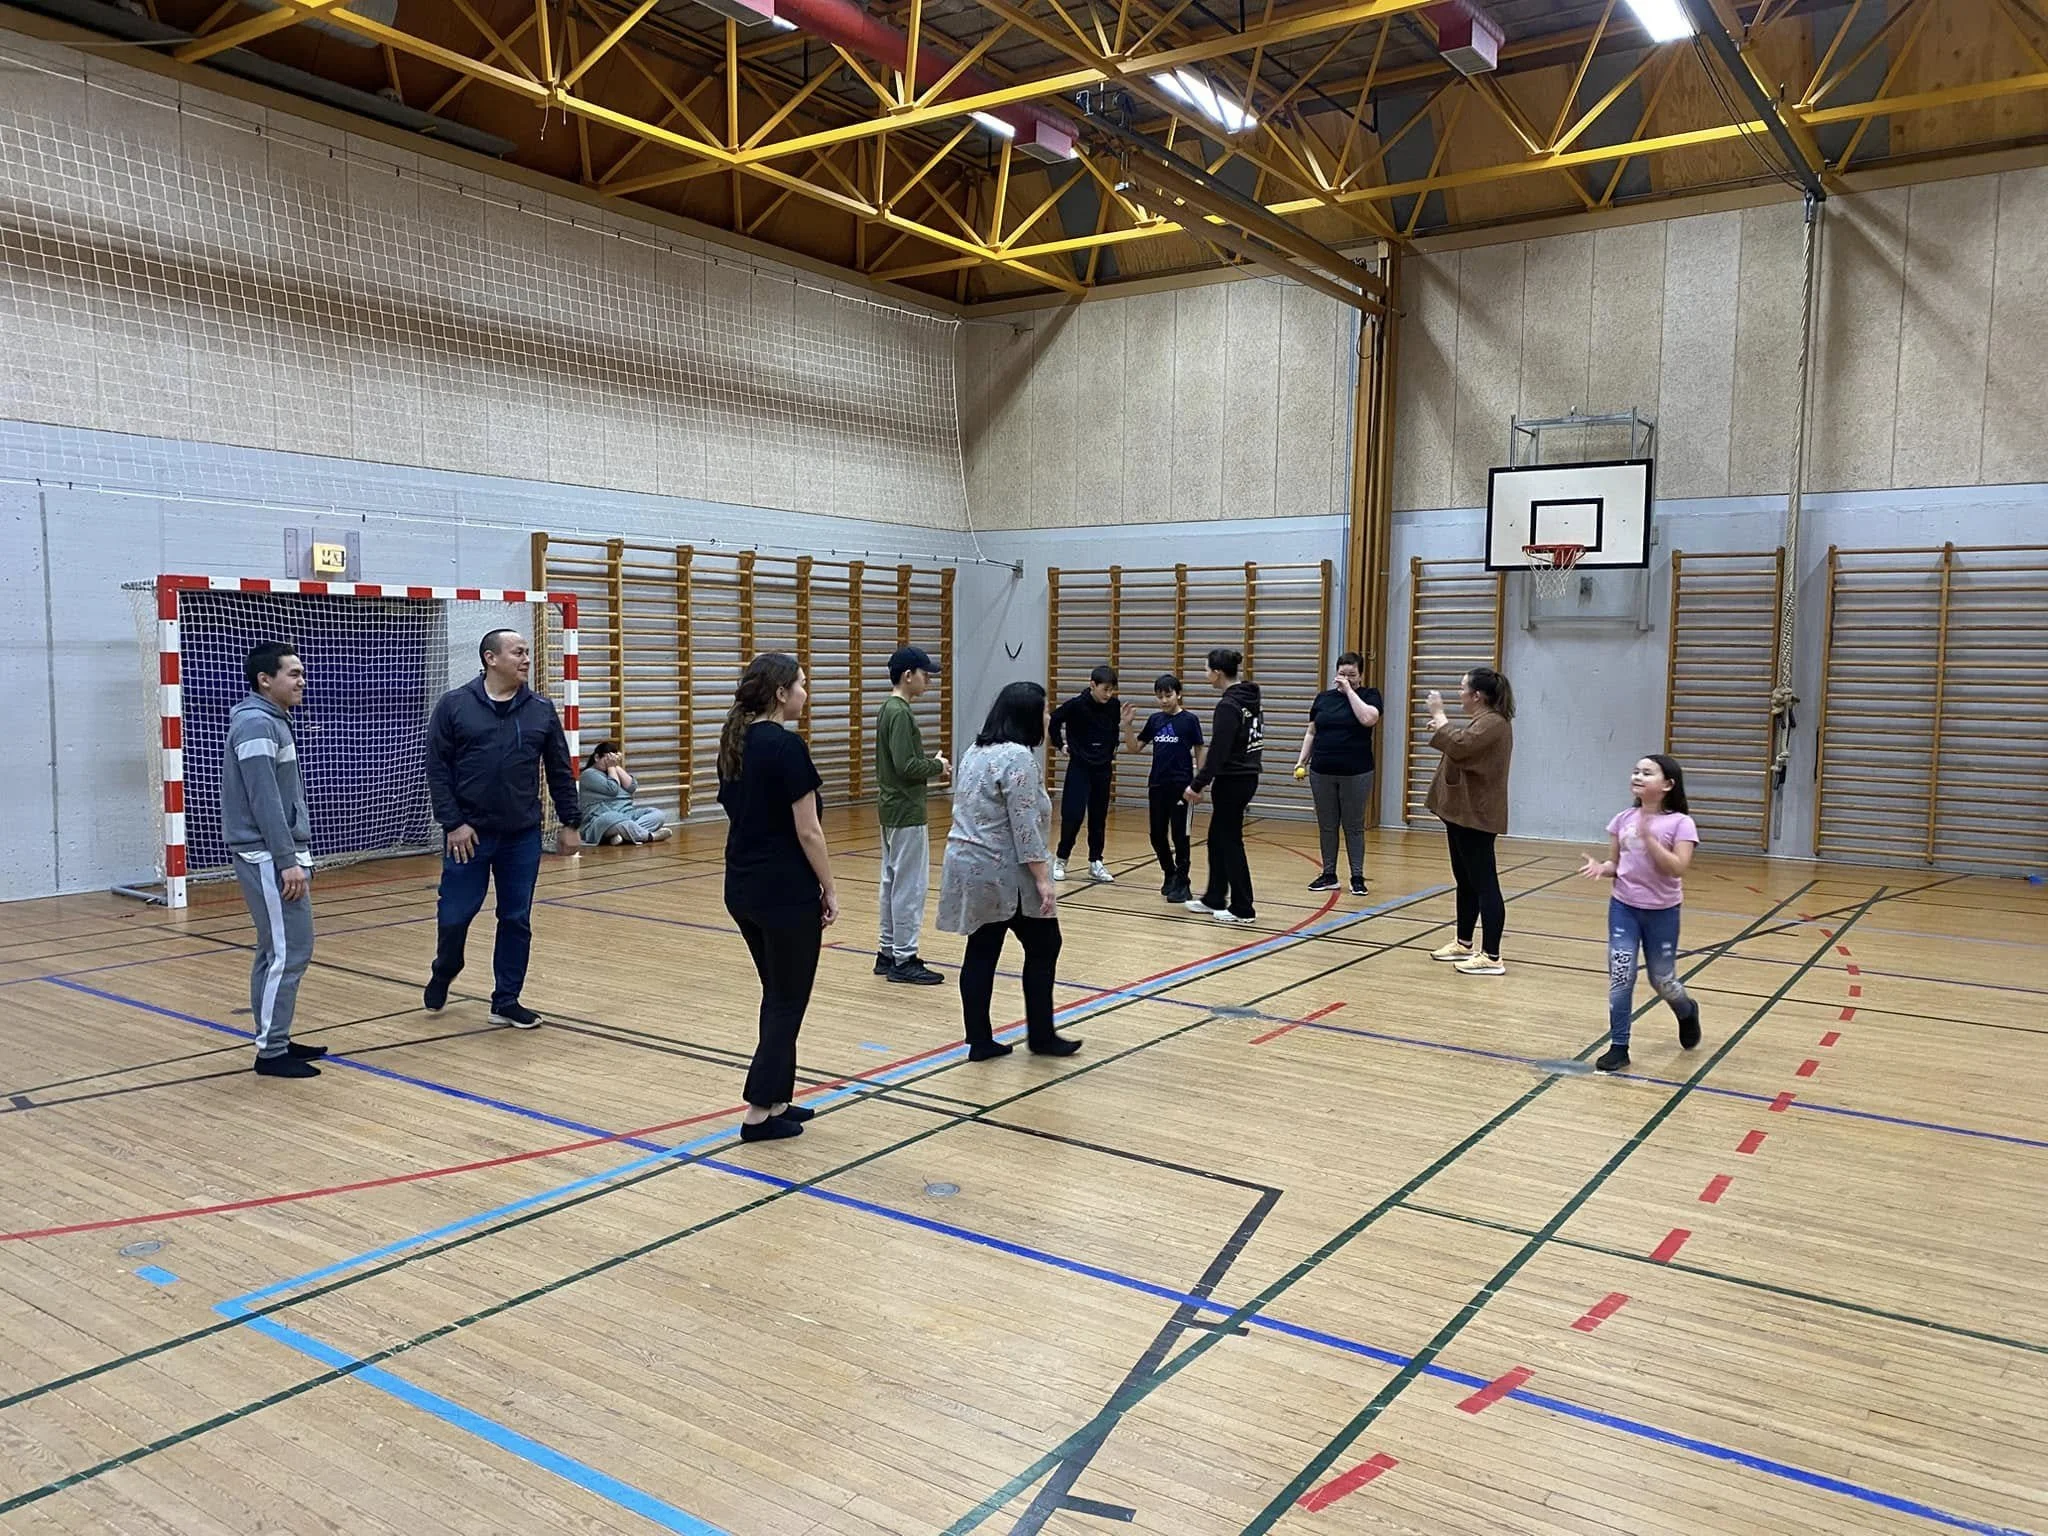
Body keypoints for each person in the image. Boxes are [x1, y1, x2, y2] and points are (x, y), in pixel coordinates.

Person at [423, 629, 581, 1029]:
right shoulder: (454, 705)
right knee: (455, 914)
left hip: (521, 836)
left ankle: (506, 1000)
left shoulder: (540, 710)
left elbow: (560, 769)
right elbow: (438, 770)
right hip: (468, 836)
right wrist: (453, 823)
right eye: (517, 652)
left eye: (527, 652)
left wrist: (570, 821)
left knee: (516, 917)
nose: (526, 659)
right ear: (491, 659)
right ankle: (446, 967)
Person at [719, 653, 839, 1142]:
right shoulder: (787, 747)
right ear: (780, 693)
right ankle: (757, 1112)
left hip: (743, 887)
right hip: (784, 891)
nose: (806, 694)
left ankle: (777, 1101)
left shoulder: (735, 742)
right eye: (802, 685)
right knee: (788, 1000)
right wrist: (829, 887)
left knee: (778, 993)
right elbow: (808, 831)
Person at [938, 681, 1082, 1061]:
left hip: (968, 862)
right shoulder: (1018, 757)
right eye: (1045, 710)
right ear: (1027, 715)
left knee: (982, 947)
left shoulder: (975, 750)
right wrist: (1043, 879)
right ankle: (1041, 1036)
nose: (1049, 717)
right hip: (1001, 869)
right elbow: (1025, 826)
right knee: (1045, 944)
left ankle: (980, 1040)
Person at [222, 642, 325, 1079]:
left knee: (274, 949)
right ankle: (271, 1052)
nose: (302, 681)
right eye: (293, 674)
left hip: (275, 852)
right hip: (267, 855)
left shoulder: (272, 721)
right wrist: (286, 860)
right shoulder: (257, 725)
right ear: (265, 680)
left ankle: (275, 1035)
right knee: (290, 949)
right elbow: (264, 800)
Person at [1581, 754, 1704, 1073]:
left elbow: (1677, 868)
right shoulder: (1622, 819)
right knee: (1621, 974)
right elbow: (1616, 863)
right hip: (1624, 908)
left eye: (1647, 773)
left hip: (1663, 913)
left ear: (1668, 784)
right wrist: (1602, 868)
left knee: (1662, 979)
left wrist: (1649, 839)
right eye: (1635, 771)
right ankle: (1619, 1046)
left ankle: (1686, 1010)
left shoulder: (1681, 824)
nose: (1638, 776)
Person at [1424, 666, 1515, 976]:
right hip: (1462, 813)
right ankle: (1464, 942)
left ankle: (1492, 956)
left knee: (1485, 884)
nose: (1459, 693)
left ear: (1477, 695)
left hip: (1477, 815)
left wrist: (1439, 715)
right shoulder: (1483, 721)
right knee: (1465, 881)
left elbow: (1462, 746)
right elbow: (1463, 742)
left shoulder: (1494, 723)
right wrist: (1444, 729)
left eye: (1462, 688)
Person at [874, 645, 951, 986]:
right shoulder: (901, 713)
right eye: (925, 674)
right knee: (909, 886)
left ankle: (887, 951)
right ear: (908, 675)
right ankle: (904, 958)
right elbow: (906, 766)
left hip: (891, 807)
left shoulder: (887, 708)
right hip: (906, 809)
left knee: (891, 883)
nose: (929, 681)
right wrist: (938, 765)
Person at [1183, 648, 1264, 925]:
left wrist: (1197, 784)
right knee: (1217, 837)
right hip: (1243, 776)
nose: (1205, 674)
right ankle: (1215, 897)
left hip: (1234, 779)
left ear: (1217, 673)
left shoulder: (1229, 705)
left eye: (1206, 669)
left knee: (1229, 840)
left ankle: (1243, 907)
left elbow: (1219, 750)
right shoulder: (1248, 698)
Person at [1293, 651, 1382, 897]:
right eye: (1342, 674)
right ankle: (1329, 874)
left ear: (1361, 675)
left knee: (1353, 826)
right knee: (1327, 825)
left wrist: (1350, 691)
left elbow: (1368, 719)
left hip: (1356, 772)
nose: (1346, 678)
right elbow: (1311, 732)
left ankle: (1357, 876)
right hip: (1322, 771)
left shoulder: (1370, 696)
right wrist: (1301, 761)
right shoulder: (1323, 699)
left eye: (1352, 675)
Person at [1124, 674, 1203, 904]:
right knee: (1157, 835)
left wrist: (1200, 784)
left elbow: (1200, 750)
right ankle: (1170, 874)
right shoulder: (1155, 720)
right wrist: (1127, 725)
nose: (1164, 700)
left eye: (1168, 695)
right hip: (1157, 785)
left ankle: (1183, 882)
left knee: (1180, 836)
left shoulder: (1189, 720)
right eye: (1160, 696)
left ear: (1178, 694)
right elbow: (1134, 748)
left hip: (1182, 787)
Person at [1048, 664, 1121, 883]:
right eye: (1105, 689)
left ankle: (1095, 861)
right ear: (1092, 685)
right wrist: (1060, 745)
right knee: (1073, 815)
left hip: (1102, 768)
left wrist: (1112, 747)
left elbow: (1114, 728)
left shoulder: (1114, 705)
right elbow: (1053, 721)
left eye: (1111, 690)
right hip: (1079, 767)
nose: (1108, 694)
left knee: (1098, 817)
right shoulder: (1076, 705)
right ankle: (1061, 859)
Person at [577, 741, 674, 845]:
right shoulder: (588, 774)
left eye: (613, 759)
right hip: (602, 818)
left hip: (627, 814)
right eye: (608, 759)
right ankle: (650, 836)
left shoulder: (614, 770)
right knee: (612, 819)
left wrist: (616, 766)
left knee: (658, 815)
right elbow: (613, 789)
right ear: (597, 758)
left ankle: (622, 835)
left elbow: (631, 787)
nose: (610, 762)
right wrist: (611, 767)